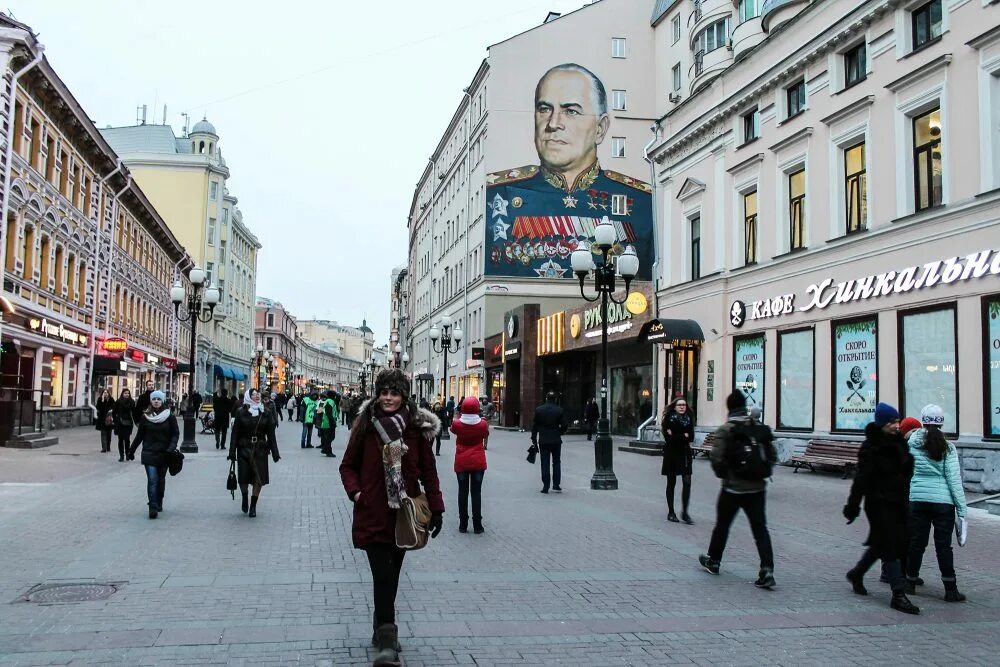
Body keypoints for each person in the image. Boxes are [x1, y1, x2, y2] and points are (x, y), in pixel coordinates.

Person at [485, 64, 652, 282]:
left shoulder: (640, 200)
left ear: (600, 128)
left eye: (571, 111)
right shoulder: (501, 193)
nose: (553, 124)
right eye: (544, 109)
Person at [339, 369, 444, 667]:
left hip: (402, 515)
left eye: (394, 392)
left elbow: (429, 471)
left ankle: (379, 625)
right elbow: (347, 466)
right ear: (377, 393)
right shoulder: (365, 425)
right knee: (382, 575)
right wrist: (358, 494)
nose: (388, 398)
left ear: (403, 396)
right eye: (384, 392)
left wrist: (437, 508)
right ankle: (388, 641)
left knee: (392, 576)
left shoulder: (415, 428)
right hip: (373, 511)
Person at [843, 402, 919, 614]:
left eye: (897, 421)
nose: (897, 425)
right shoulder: (871, 447)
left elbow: (905, 473)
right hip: (878, 503)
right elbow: (861, 479)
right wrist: (852, 506)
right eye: (892, 422)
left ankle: (857, 573)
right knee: (889, 546)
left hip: (898, 502)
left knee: (883, 544)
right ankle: (898, 594)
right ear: (882, 424)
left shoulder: (900, 444)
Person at [699, 391, 777, 589]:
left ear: (729, 408)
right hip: (758, 489)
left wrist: (726, 475)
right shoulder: (758, 427)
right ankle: (767, 569)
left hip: (732, 489)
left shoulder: (726, 429)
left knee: (722, 525)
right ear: (745, 406)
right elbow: (773, 455)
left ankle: (714, 561)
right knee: (760, 529)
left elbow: (716, 458)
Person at [905, 404, 968, 602]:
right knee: (944, 546)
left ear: (922, 420)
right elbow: (954, 480)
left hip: (918, 500)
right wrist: (962, 510)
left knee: (917, 543)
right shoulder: (948, 447)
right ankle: (950, 589)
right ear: (941, 422)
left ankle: (910, 582)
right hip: (943, 503)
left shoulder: (912, 444)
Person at [227, 388, 280, 518]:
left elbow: (271, 434)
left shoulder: (265, 412)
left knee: (259, 478)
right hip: (244, 447)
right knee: (243, 477)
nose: (257, 396)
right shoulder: (241, 412)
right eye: (254, 394)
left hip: (260, 449)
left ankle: (253, 505)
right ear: (248, 397)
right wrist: (232, 451)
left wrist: (275, 452)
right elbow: (235, 434)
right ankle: (245, 496)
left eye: (258, 395)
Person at [128, 390, 179, 519]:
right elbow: (139, 436)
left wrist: (171, 447)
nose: (156, 401)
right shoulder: (145, 417)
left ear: (162, 401)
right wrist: (131, 450)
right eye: (154, 399)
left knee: (160, 480)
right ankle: (152, 506)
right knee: (152, 480)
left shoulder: (169, 416)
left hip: (164, 453)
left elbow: (175, 434)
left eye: (158, 399)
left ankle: (159, 500)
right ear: (151, 401)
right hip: (149, 453)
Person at [451, 396, 489, 534]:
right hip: (478, 460)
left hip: (461, 460)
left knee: (462, 492)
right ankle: (477, 525)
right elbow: (485, 434)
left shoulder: (457, 424)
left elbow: (453, 430)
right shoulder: (483, 424)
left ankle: (463, 524)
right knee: (476, 492)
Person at [661, 398, 695, 524]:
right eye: (679, 405)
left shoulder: (689, 418)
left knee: (687, 481)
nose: (682, 407)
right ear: (674, 406)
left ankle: (685, 512)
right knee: (671, 482)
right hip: (672, 454)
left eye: (684, 405)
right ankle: (671, 512)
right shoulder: (668, 419)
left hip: (685, 453)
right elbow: (669, 438)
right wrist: (683, 436)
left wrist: (677, 436)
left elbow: (691, 437)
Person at [531, 391, 567, 494]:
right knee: (556, 462)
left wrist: (534, 439)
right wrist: (559, 432)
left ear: (546, 398)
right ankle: (556, 484)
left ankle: (545, 485)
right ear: (555, 399)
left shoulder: (539, 410)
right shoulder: (559, 410)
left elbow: (535, 426)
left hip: (543, 440)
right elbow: (565, 425)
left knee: (545, 462)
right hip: (556, 440)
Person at [114, 389, 137, 462]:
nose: (127, 394)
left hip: (128, 423)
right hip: (120, 423)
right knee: (120, 439)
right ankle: (121, 456)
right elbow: (114, 412)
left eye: (128, 393)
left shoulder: (132, 402)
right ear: (122, 394)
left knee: (127, 439)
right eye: (125, 393)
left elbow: (134, 412)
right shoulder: (118, 401)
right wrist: (115, 420)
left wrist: (136, 421)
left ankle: (127, 454)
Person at [318, 390, 340, 458]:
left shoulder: (328, 401)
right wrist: (332, 421)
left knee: (329, 437)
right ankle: (328, 451)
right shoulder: (330, 402)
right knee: (330, 437)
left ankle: (325, 449)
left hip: (326, 421)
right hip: (329, 422)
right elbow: (328, 413)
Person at [95, 388, 115, 453]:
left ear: (108, 393)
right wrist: (102, 400)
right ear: (102, 393)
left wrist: (111, 410)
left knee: (109, 434)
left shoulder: (111, 399)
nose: (105, 393)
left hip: (109, 418)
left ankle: (108, 446)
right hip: (102, 419)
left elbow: (114, 407)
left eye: (106, 392)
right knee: (103, 434)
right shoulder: (100, 399)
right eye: (104, 392)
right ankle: (104, 448)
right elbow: (98, 407)